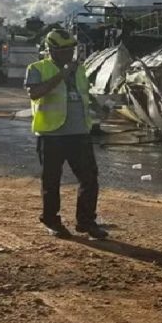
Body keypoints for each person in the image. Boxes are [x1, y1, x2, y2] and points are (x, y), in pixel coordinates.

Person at [25, 30, 107, 239]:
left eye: (71, 50)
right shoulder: (37, 69)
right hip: (52, 135)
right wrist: (62, 74)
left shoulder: (80, 71)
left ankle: (86, 222)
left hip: (79, 134)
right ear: (51, 50)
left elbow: (84, 94)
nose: (68, 54)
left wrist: (99, 107)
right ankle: (51, 220)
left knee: (89, 179)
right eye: (63, 50)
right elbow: (35, 93)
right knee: (51, 181)